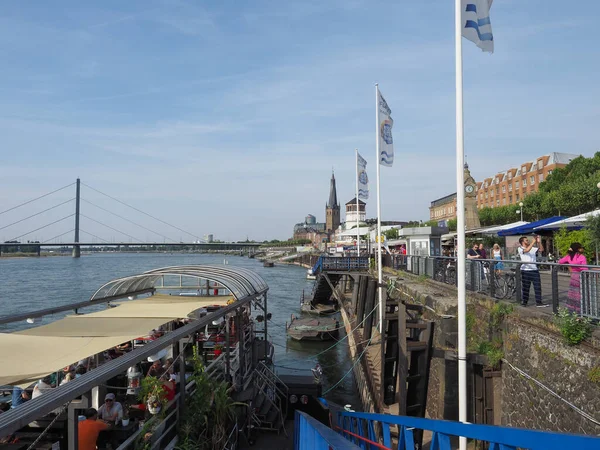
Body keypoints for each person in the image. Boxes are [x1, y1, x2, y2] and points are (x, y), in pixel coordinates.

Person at [518, 236, 548, 307]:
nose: (528, 241)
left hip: (534, 270)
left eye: (528, 240)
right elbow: (527, 250)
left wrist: (539, 242)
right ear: (522, 242)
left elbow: (541, 249)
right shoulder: (520, 248)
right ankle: (524, 302)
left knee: (537, 286)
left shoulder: (532, 248)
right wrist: (533, 242)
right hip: (525, 270)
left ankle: (539, 302)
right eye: (526, 240)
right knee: (526, 287)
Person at [558, 242, 588, 313]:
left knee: (573, 293)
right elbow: (585, 268)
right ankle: (581, 310)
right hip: (581, 276)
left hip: (573, 276)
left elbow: (560, 261)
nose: (582, 249)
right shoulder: (581, 257)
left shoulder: (569, 256)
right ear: (577, 249)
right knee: (581, 293)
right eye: (580, 248)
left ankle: (572, 309)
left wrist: (568, 253)